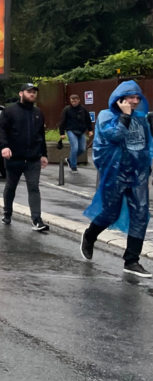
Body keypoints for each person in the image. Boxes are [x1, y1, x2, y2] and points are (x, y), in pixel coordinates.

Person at [80, 81, 153, 277]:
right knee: (110, 212)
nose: (135, 101)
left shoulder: (142, 119)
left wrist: (148, 167)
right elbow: (115, 136)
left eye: (138, 98)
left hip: (138, 173)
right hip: (115, 173)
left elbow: (147, 144)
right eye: (131, 97)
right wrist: (125, 115)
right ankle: (90, 235)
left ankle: (132, 260)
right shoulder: (106, 116)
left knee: (141, 214)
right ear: (120, 98)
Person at [0, 83, 49, 232]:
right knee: (11, 186)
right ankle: (7, 212)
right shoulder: (9, 111)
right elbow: (2, 131)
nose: (32, 94)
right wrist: (4, 147)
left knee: (34, 187)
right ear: (21, 93)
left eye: (34, 92)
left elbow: (41, 136)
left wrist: (44, 154)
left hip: (33, 158)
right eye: (29, 92)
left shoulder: (38, 113)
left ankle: (36, 220)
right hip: (14, 157)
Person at [59, 94, 94, 173]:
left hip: (81, 131)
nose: (73, 102)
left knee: (82, 149)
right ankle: (73, 166)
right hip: (71, 130)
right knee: (74, 148)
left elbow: (87, 119)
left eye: (75, 101)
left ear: (78, 100)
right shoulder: (67, 109)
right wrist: (62, 133)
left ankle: (69, 159)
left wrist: (90, 130)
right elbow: (62, 121)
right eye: (72, 101)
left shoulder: (83, 109)